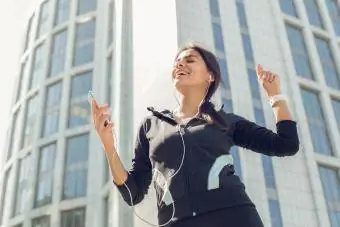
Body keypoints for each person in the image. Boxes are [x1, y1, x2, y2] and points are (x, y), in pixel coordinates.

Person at [91, 43, 300, 227]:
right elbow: (132, 193)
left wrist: (275, 95)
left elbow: (286, 144)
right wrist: (108, 145)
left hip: (233, 216)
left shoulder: (225, 121)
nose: (180, 65)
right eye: (177, 62)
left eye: (189, 60)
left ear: (210, 76)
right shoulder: (151, 126)